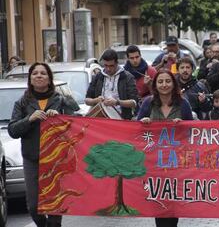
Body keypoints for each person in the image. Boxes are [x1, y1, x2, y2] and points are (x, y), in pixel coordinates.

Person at [8, 62, 78, 227]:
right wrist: (29, 119)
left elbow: (75, 123)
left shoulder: (61, 99)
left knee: (54, 206)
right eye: (35, 73)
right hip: (32, 159)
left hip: (56, 160)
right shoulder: (22, 103)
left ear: (49, 79)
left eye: (43, 73)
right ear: (30, 79)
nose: (39, 76)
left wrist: (59, 118)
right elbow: (12, 130)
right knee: (33, 206)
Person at [137, 69, 193, 227]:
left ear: (173, 84)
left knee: (173, 204)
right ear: (155, 85)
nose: (164, 85)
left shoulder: (183, 104)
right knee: (159, 203)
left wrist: (183, 126)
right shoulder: (148, 103)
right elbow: (136, 130)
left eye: (168, 81)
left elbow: (194, 132)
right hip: (155, 163)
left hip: (177, 164)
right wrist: (144, 122)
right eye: (160, 81)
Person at [85, 49, 138, 120]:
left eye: (111, 66)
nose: (108, 69)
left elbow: (134, 102)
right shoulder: (98, 77)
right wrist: (96, 100)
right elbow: (87, 100)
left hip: (122, 119)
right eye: (105, 65)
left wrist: (117, 102)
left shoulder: (127, 77)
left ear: (117, 63)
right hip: (101, 119)